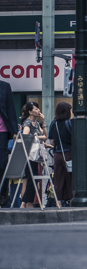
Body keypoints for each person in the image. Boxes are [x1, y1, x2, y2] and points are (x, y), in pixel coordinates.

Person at [18, 102, 46, 208]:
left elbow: (45, 136)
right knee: (31, 179)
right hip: (29, 154)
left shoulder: (36, 123)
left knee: (33, 179)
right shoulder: (27, 123)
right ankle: (24, 203)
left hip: (35, 155)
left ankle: (25, 203)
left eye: (38, 108)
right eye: (35, 109)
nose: (38, 110)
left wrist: (43, 122)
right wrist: (39, 137)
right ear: (30, 112)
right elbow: (25, 137)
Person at [48, 102, 75, 205]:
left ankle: (58, 202)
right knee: (70, 178)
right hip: (68, 153)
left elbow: (51, 141)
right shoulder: (69, 123)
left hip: (57, 154)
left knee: (58, 179)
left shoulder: (53, 124)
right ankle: (71, 200)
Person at [0, 78, 18, 207]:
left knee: (2, 164)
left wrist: (14, 131)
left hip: (2, 131)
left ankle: (3, 193)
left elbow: (11, 108)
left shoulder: (4, 86)